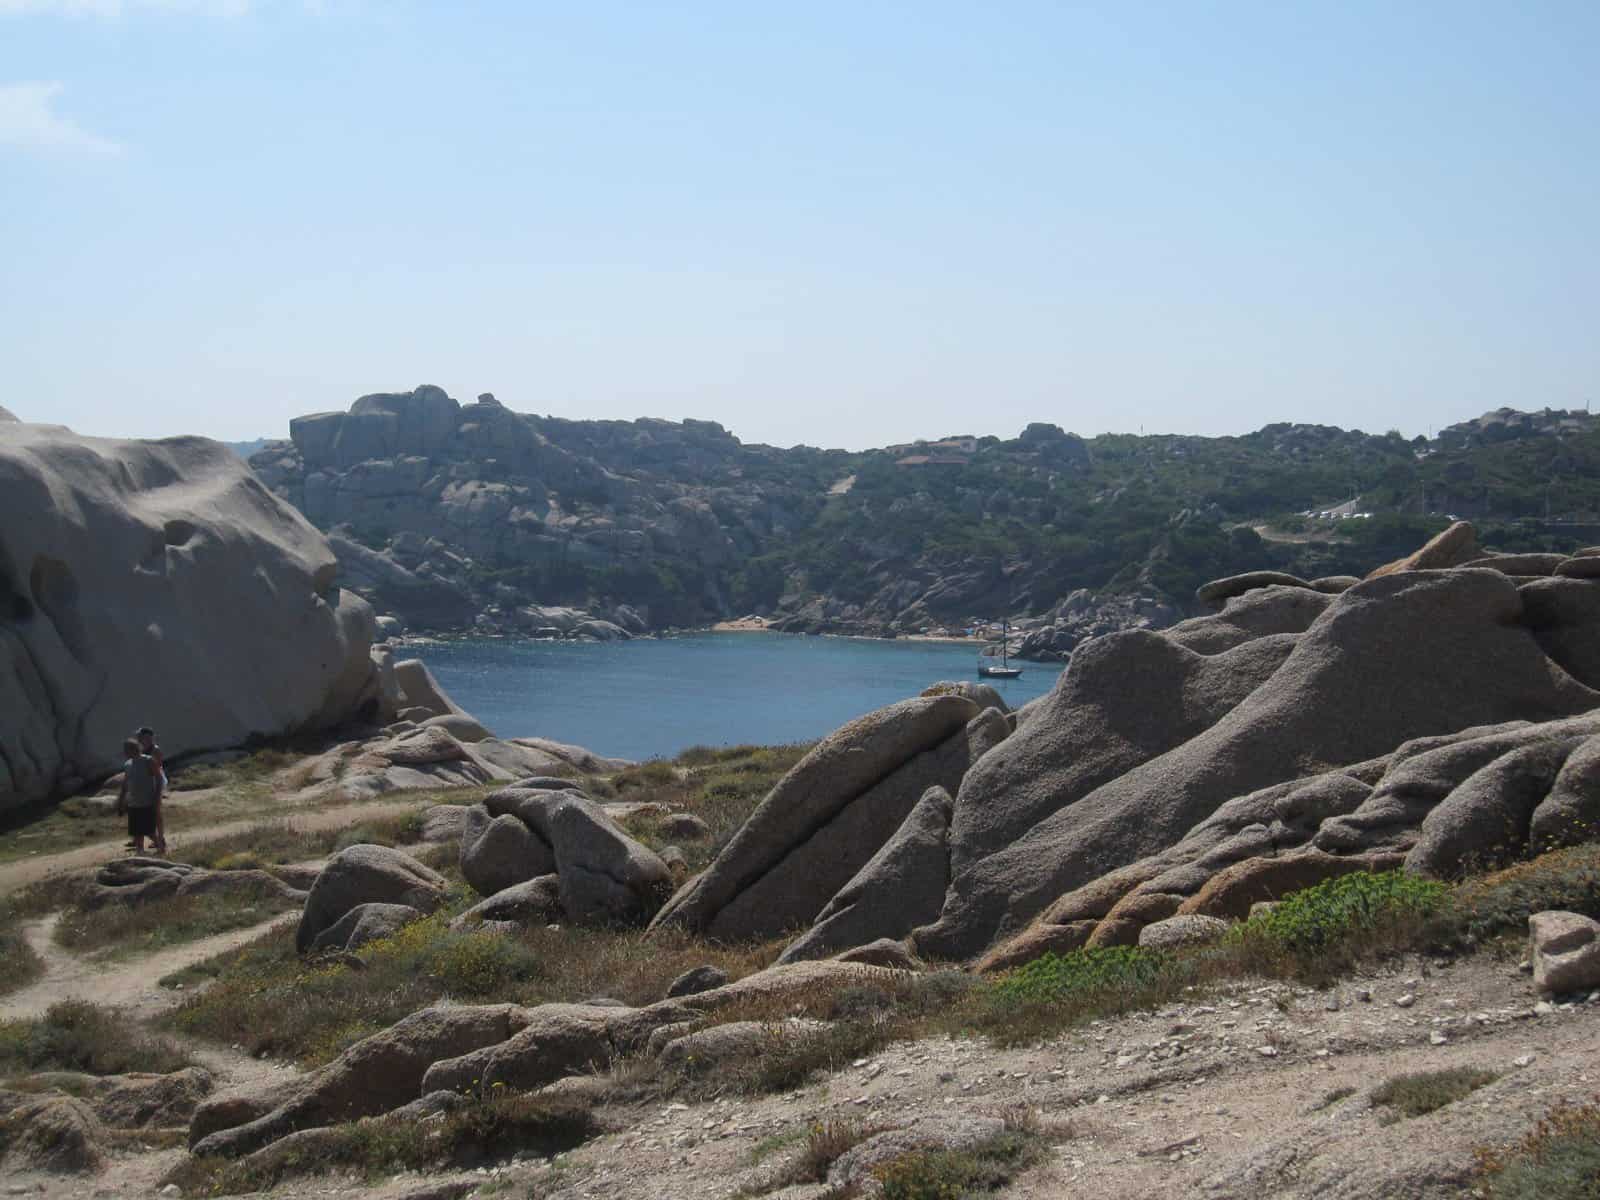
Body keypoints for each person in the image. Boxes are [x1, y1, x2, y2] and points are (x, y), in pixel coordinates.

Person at [116, 738, 159, 854]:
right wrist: (121, 801)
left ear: (134, 749)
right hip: (133, 802)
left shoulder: (148, 760)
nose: (124, 752)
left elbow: (159, 779)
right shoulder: (128, 764)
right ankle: (140, 851)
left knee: (148, 830)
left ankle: (161, 845)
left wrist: (157, 797)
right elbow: (125, 784)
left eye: (126, 749)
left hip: (147, 801)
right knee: (137, 830)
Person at [136, 727, 168, 854]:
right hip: (145, 783)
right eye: (140, 737)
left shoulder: (155, 750)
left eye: (141, 736)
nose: (139, 738)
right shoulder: (140, 749)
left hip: (155, 782)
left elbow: (157, 768)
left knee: (156, 812)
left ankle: (160, 838)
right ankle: (145, 838)